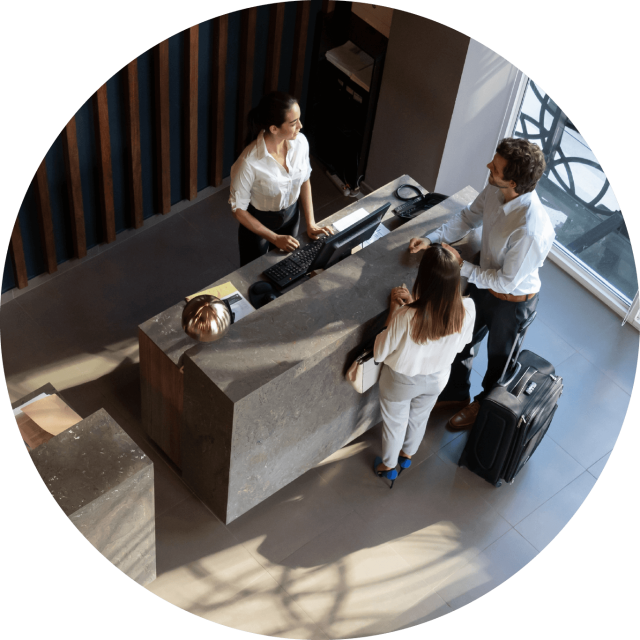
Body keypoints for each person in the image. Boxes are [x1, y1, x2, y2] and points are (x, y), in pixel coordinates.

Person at [408, 137, 555, 432]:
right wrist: (434, 238)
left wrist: (463, 267)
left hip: (512, 302)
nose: (489, 166)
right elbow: (468, 217)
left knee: (499, 362)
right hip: (483, 283)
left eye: (496, 167)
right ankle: (455, 394)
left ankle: (484, 405)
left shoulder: (531, 228)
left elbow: (506, 280)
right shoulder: (494, 187)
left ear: (513, 181)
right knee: (461, 339)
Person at [372, 244, 475, 484]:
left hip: (400, 381)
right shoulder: (468, 309)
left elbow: (379, 352)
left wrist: (396, 309)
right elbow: (460, 345)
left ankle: (389, 467)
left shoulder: (406, 315)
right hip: (438, 378)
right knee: (420, 416)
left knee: (394, 424)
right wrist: (414, 303)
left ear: (423, 277)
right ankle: (407, 456)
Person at [229, 92, 334, 267]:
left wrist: (311, 223)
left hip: (291, 216)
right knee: (252, 275)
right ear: (274, 128)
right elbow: (238, 210)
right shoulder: (249, 162)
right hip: (259, 223)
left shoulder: (301, 143)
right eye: (293, 123)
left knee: (284, 267)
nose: (300, 126)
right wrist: (275, 238)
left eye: (299, 119)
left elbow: (304, 180)